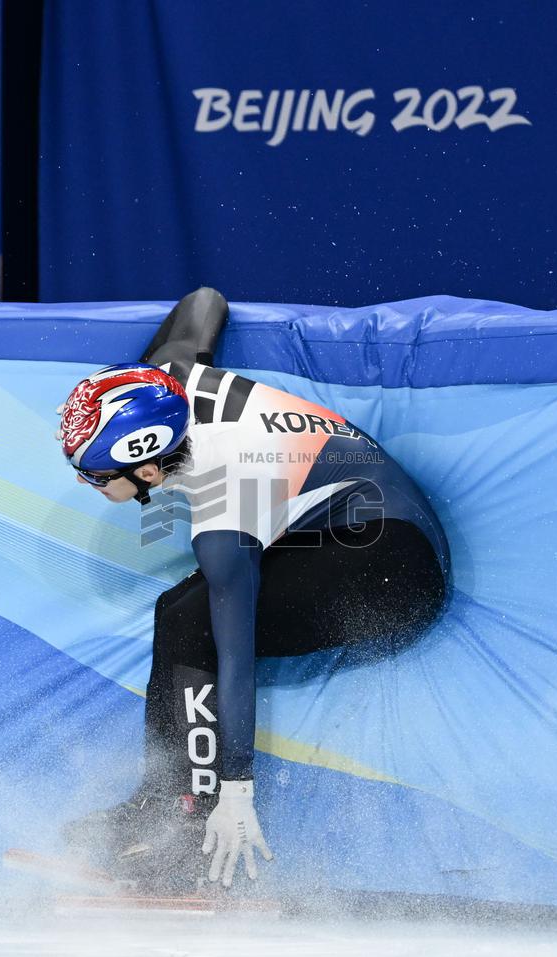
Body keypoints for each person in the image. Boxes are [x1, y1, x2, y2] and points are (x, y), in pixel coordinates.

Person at [58, 288, 450, 892]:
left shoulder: (223, 498)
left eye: (94, 475)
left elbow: (235, 655)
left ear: (148, 469)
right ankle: (160, 800)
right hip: (362, 519)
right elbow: (202, 305)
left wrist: (238, 792)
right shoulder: (172, 380)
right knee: (178, 609)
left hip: (396, 573)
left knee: (195, 625)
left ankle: (187, 828)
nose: (88, 484)